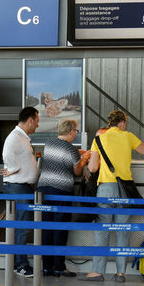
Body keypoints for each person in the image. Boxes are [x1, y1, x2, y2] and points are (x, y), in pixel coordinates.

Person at [80, 110, 144, 282]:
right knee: (123, 231)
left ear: (110, 124)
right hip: (124, 190)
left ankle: (97, 271)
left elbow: (92, 168)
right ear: (122, 122)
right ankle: (120, 273)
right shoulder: (128, 136)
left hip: (105, 190)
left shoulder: (98, 139)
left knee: (102, 232)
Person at [37, 119, 87, 277]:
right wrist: (84, 158)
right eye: (76, 131)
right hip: (61, 191)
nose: (75, 134)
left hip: (44, 190)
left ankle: (46, 267)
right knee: (60, 229)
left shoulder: (49, 143)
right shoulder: (70, 149)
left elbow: (60, 156)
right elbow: (77, 171)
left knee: (46, 229)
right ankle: (59, 266)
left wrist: (77, 153)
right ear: (71, 131)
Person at [0, 106, 39, 278]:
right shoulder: (15, 137)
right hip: (18, 187)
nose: (37, 125)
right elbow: (7, 154)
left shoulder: (22, 137)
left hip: (22, 187)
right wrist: (13, 168)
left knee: (20, 227)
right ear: (30, 120)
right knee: (21, 228)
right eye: (36, 121)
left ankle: (18, 263)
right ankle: (21, 265)